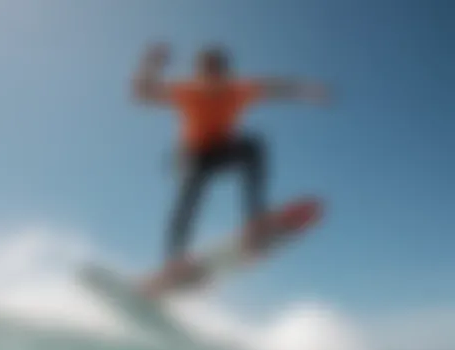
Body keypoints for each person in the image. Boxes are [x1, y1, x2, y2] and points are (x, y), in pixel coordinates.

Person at [132, 43, 330, 271]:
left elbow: (277, 88)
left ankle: (254, 222)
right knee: (189, 201)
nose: (211, 81)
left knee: (254, 145)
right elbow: (143, 94)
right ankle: (175, 261)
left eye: (217, 74)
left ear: (225, 74)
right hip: (193, 157)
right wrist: (150, 64)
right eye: (206, 75)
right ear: (200, 75)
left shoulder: (238, 90)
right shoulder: (187, 91)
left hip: (221, 152)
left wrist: (309, 91)